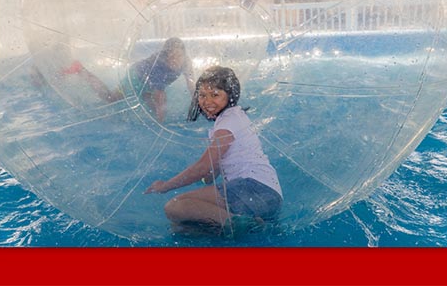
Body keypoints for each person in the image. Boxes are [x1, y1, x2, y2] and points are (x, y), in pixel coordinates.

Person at [144, 66, 283, 235]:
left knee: (175, 207)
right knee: (184, 229)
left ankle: (245, 226)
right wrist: (207, 178)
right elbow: (211, 170)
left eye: (215, 95)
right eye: (202, 95)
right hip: (267, 198)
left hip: (254, 189)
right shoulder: (234, 118)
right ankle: (246, 225)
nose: (207, 101)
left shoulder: (227, 123)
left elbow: (203, 167)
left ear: (230, 95)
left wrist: (165, 186)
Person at [62, 37, 193, 123]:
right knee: (111, 98)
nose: (175, 60)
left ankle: (152, 113)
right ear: (166, 55)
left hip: (149, 83)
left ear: (184, 54)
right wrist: (161, 125)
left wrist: (198, 103)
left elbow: (191, 84)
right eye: (171, 56)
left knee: (152, 106)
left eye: (179, 55)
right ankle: (80, 69)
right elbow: (160, 96)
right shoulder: (160, 65)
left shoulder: (186, 62)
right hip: (136, 77)